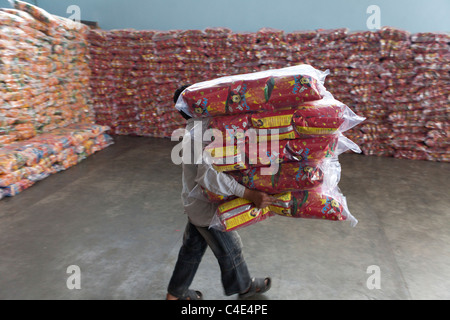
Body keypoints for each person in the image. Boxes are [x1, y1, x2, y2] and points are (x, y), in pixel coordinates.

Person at [166, 85, 275, 300]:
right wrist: (248, 193)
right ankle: (245, 288)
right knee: (231, 248)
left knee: (192, 250)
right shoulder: (202, 132)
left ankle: (175, 295)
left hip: (195, 203)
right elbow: (208, 177)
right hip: (206, 207)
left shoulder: (198, 128)